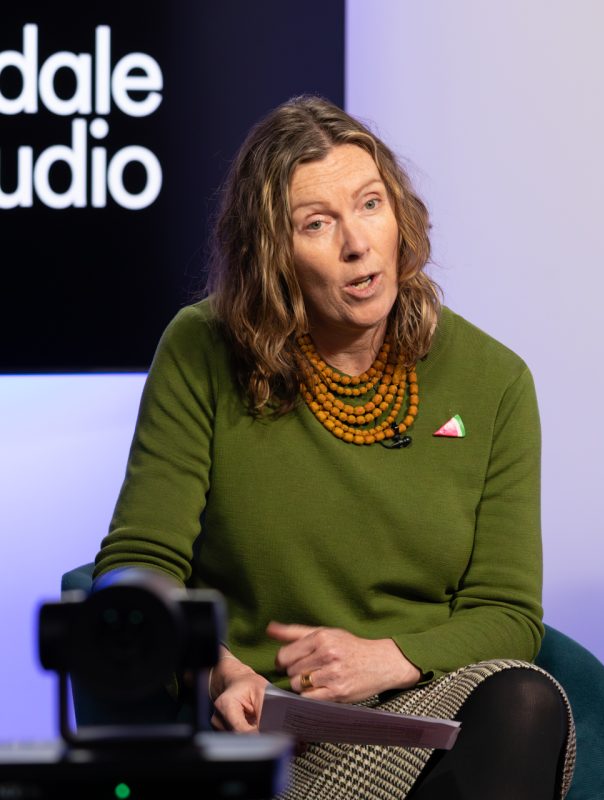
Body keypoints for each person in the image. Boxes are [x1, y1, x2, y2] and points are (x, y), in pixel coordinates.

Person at [94, 95, 574, 800]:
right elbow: (137, 567)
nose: (357, 244)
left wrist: (386, 658)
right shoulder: (199, 350)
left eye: (371, 205)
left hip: (422, 711)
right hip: (267, 723)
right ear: (271, 256)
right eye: (317, 224)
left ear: (400, 216)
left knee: (526, 701)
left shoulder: (494, 380)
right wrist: (219, 672)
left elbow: (508, 613)